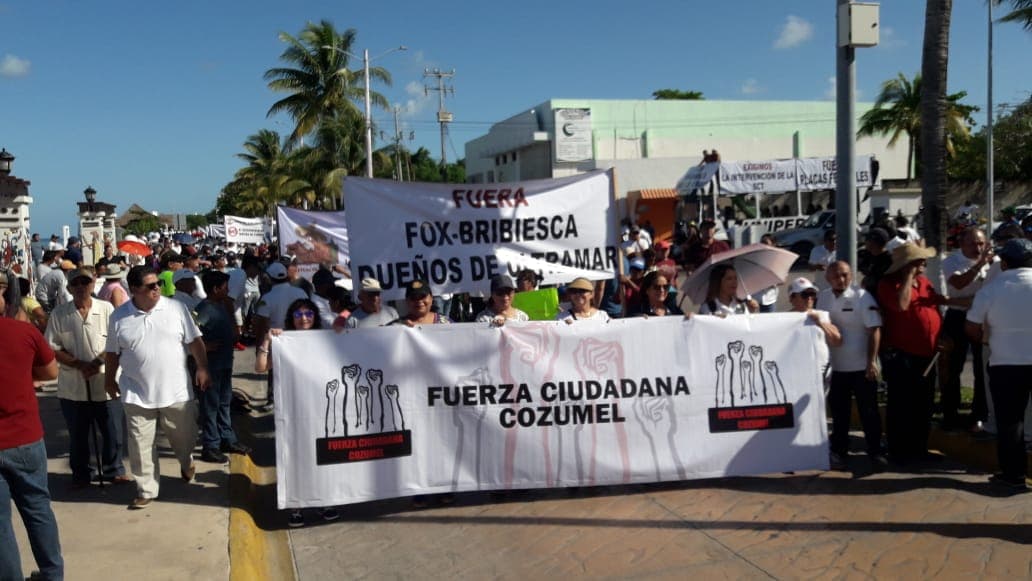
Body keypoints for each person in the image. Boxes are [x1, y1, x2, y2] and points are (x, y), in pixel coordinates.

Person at [105, 266, 211, 509]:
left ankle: (186, 462)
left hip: (176, 391)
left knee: (183, 438)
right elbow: (112, 353)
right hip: (135, 392)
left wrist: (203, 367)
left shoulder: (176, 309)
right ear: (134, 290)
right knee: (140, 444)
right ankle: (146, 489)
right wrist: (109, 380)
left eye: (158, 285)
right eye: (151, 286)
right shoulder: (119, 316)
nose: (157, 289)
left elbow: (195, 341)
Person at [0, 270, 63, 581]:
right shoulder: (24, 333)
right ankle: (52, 575)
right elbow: (51, 373)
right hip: (25, 438)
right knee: (38, 510)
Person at [255, 298, 340, 525]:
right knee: (294, 457)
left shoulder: (325, 340)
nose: (304, 318)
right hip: (293, 412)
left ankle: (325, 502)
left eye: (309, 314)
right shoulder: (284, 341)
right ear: (291, 318)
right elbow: (261, 367)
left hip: (322, 410)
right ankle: (296, 506)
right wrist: (267, 341)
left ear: (315, 317)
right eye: (299, 314)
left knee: (323, 456)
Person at [45, 267, 130, 489]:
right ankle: (81, 474)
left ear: (93, 284)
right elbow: (52, 347)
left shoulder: (106, 308)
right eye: (76, 283)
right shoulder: (59, 313)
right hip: (73, 386)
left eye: (86, 282)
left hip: (105, 381)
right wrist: (79, 364)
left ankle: (114, 470)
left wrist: (97, 362)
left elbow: (116, 341)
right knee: (78, 435)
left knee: (112, 432)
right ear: (70, 287)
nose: (81, 287)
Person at [876, 243, 959, 465]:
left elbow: (935, 305)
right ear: (906, 265)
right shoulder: (888, 285)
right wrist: (907, 278)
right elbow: (902, 305)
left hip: (927, 354)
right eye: (918, 261)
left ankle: (919, 448)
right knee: (901, 405)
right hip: (902, 354)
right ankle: (898, 450)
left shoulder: (924, 283)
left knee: (924, 405)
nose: (923, 263)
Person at [965, 238, 1032, 491]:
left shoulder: (991, 290)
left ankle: (1013, 476)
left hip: (1005, 364)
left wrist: (988, 338)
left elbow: (971, 327)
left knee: (1009, 422)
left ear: (1003, 263)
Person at [818, 262, 885, 470]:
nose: (841, 279)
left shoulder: (862, 297)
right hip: (836, 367)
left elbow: (874, 329)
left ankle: (876, 451)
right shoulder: (823, 297)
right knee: (839, 413)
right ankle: (839, 450)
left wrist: (871, 361)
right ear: (828, 277)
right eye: (836, 276)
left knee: (869, 412)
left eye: (845, 275)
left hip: (862, 367)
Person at [939, 227, 993, 431]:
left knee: (981, 367)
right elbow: (959, 283)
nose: (977, 248)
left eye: (980, 244)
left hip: (981, 318)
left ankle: (979, 413)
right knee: (952, 367)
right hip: (957, 316)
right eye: (972, 244)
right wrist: (979, 265)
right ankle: (950, 413)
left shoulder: (994, 263)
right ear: (962, 244)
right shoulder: (951, 261)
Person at [194, 270, 250, 464]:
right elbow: (190, 334)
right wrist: (204, 347)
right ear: (216, 289)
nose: (228, 290)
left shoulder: (222, 305)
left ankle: (227, 438)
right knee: (210, 407)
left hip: (225, 364)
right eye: (225, 287)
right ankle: (210, 445)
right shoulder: (204, 309)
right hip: (210, 368)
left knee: (224, 403)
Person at [752, 234, 780, 312]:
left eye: (765, 243)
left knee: (769, 322)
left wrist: (769, 281)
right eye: (762, 242)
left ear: (773, 245)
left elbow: (783, 279)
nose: (763, 245)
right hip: (754, 298)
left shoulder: (778, 258)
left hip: (769, 298)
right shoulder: (754, 257)